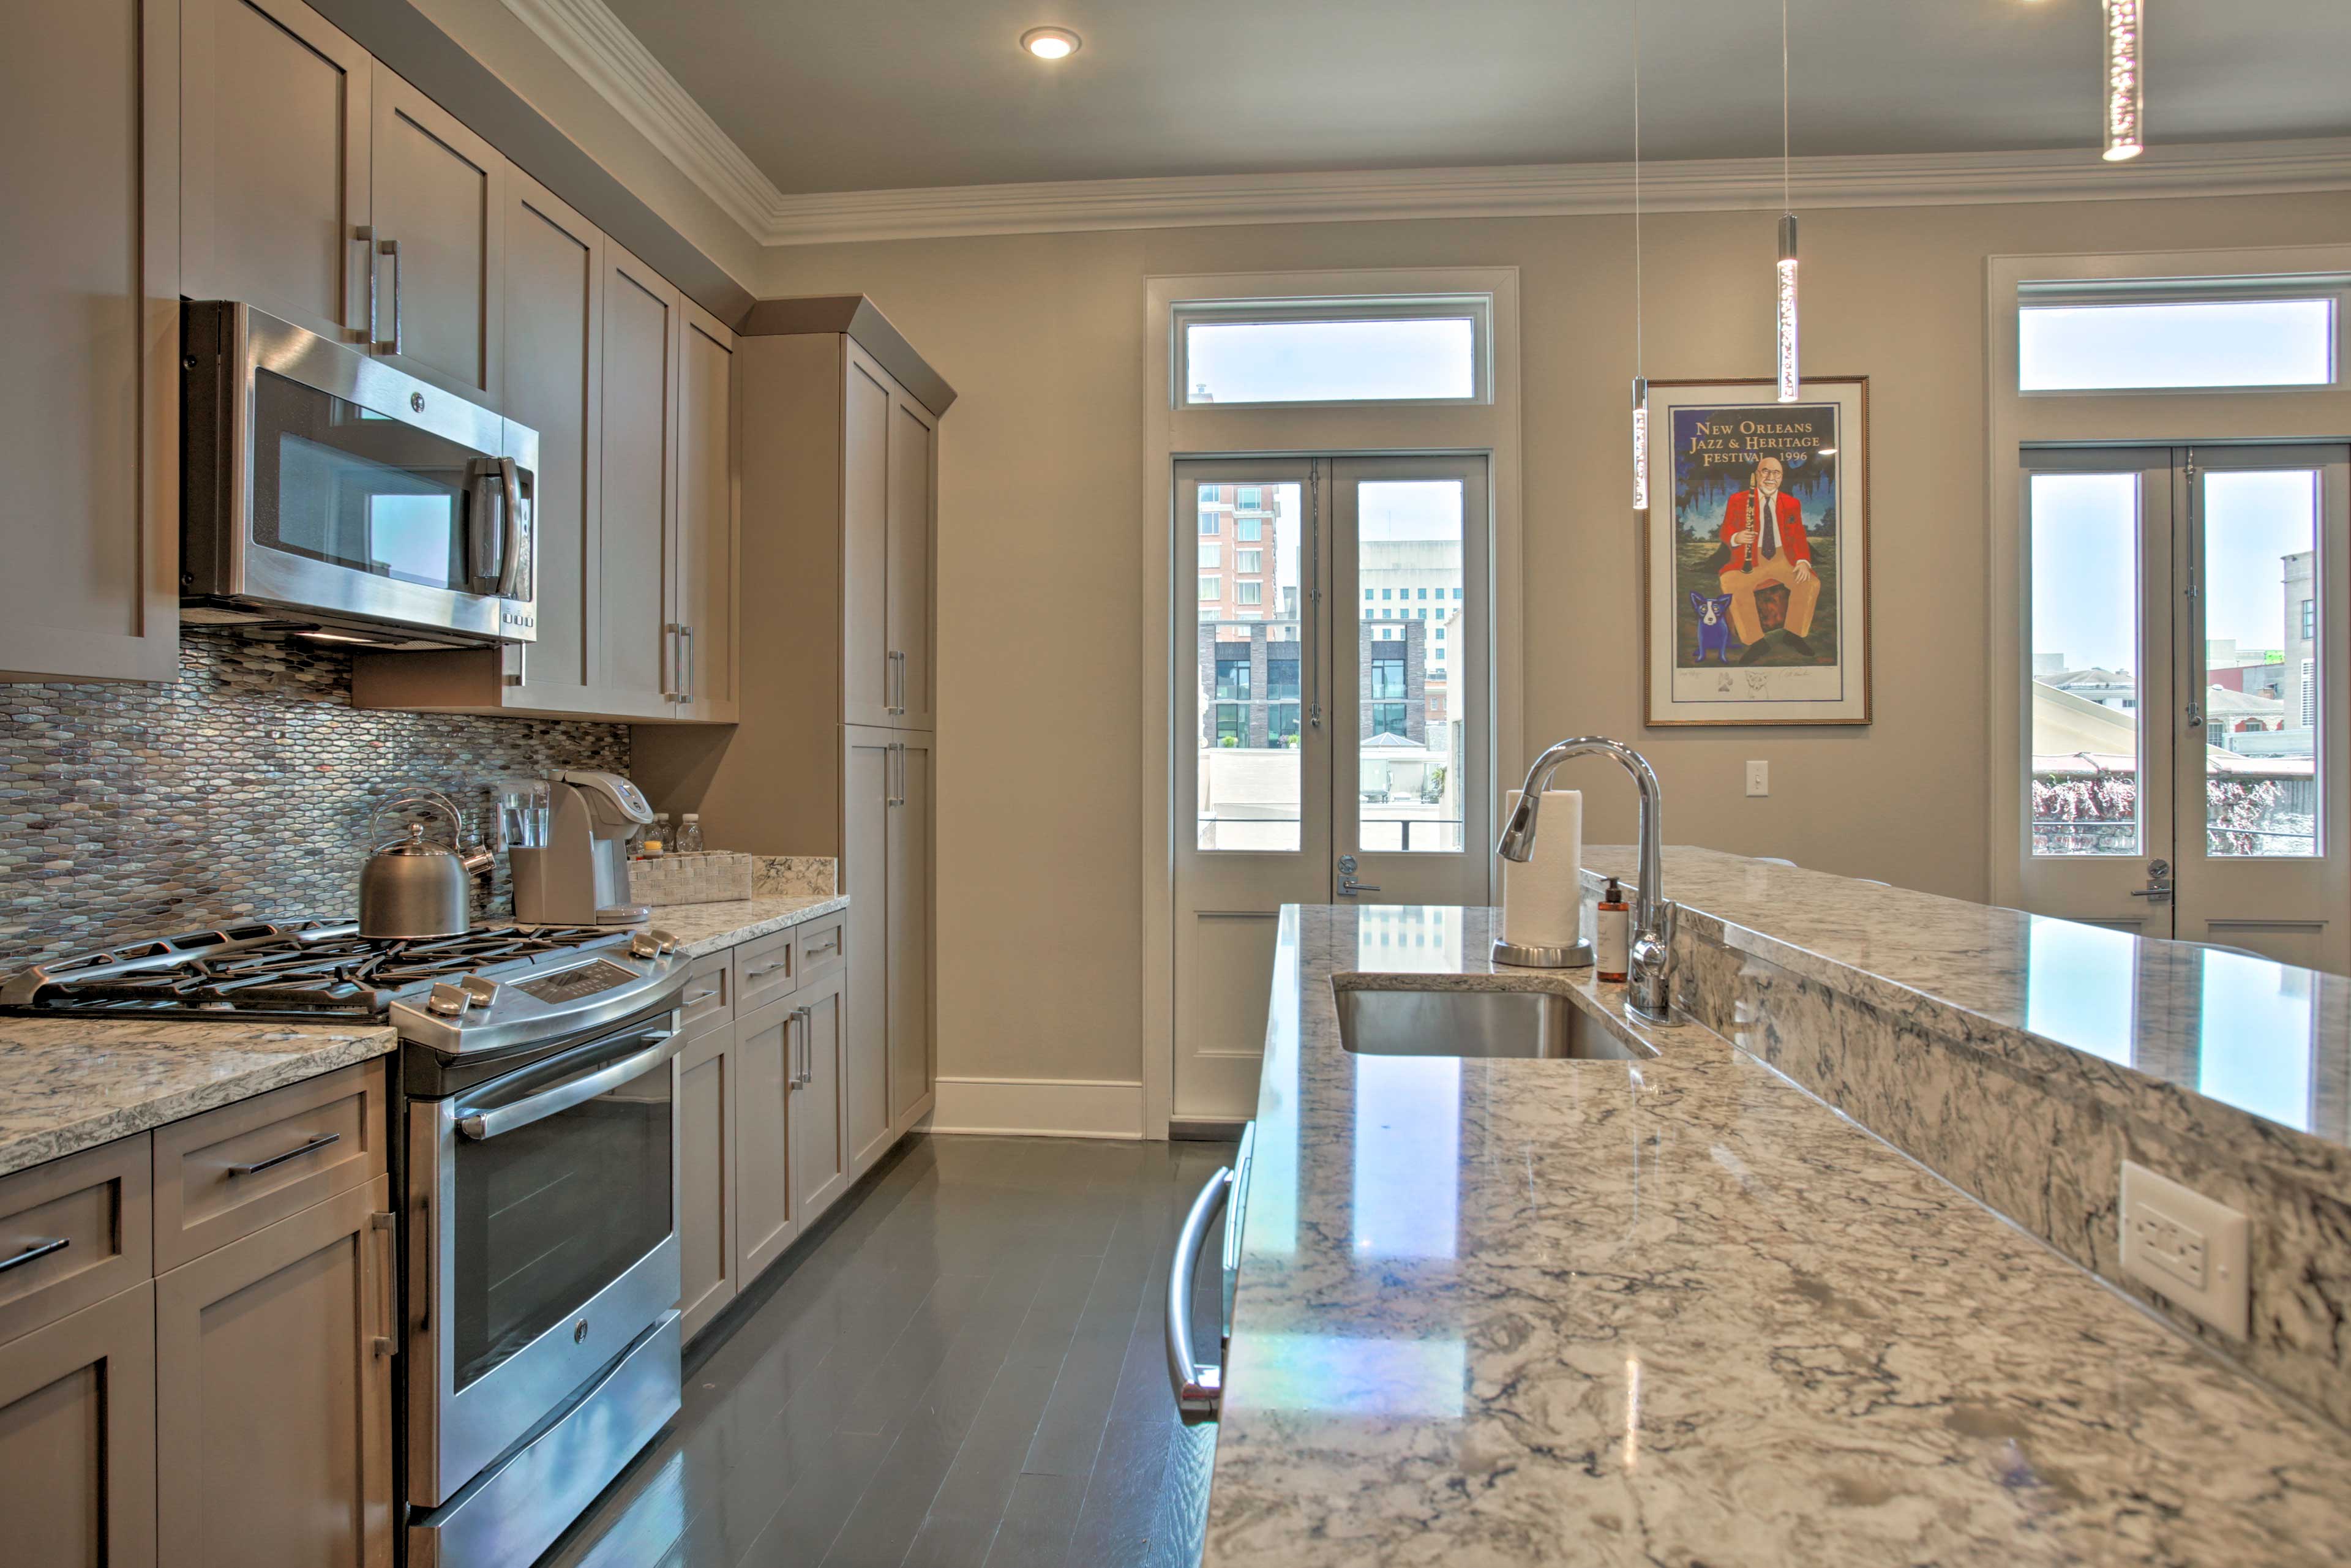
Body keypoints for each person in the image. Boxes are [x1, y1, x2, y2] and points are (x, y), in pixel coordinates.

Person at [1715, 454, 1820, 662]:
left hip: (1783, 557)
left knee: (1810, 583)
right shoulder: (1738, 500)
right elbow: (1726, 530)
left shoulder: (1792, 503)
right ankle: (1756, 641)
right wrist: (1737, 537)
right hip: (1751, 558)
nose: (1771, 477)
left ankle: (1794, 633)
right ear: (1756, 475)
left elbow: (1799, 535)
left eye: (1777, 473)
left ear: (1782, 478)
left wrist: (1802, 561)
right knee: (1731, 583)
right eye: (1766, 471)